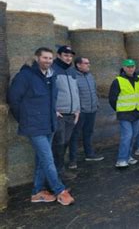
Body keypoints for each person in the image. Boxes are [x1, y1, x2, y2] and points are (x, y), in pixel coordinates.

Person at [8, 47, 74, 205]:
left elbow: (51, 99)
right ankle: (59, 190)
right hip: (34, 126)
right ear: (37, 58)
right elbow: (13, 99)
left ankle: (37, 192)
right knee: (47, 158)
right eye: (45, 58)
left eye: (50, 58)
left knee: (41, 159)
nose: (48, 61)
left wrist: (53, 112)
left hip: (49, 123)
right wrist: (25, 119)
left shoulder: (51, 76)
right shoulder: (25, 76)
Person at [68, 57, 104, 170]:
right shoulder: (73, 77)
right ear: (78, 65)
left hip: (91, 110)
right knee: (75, 135)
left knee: (88, 133)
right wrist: (77, 109)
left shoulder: (90, 75)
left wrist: (96, 103)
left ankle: (89, 154)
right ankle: (72, 160)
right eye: (86, 63)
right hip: (80, 112)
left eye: (89, 63)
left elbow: (94, 91)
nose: (89, 65)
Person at [51, 45, 80, 180]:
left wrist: (77, 109)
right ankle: (57, 172)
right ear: (59, 55)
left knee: (65, 142)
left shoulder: (72, 71)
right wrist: (53, 109)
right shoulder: (52, 70)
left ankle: (60, 170)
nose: (68, 58)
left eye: (70, 56)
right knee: (58, 143)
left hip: (72, 113)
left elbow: (75, 91)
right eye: (65, 55)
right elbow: (47, 92)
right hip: (60, 114)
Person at [109, 59, 139, 168]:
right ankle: (121, 159)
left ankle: (128, 156)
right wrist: (119, 109)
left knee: (133, 136)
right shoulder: (118, 81)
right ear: (124, 68)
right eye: (128, 67)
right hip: (124, 113)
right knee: (127, 136)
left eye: (132, 66)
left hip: (136, 112)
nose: (130, 68)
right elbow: (112, 98)